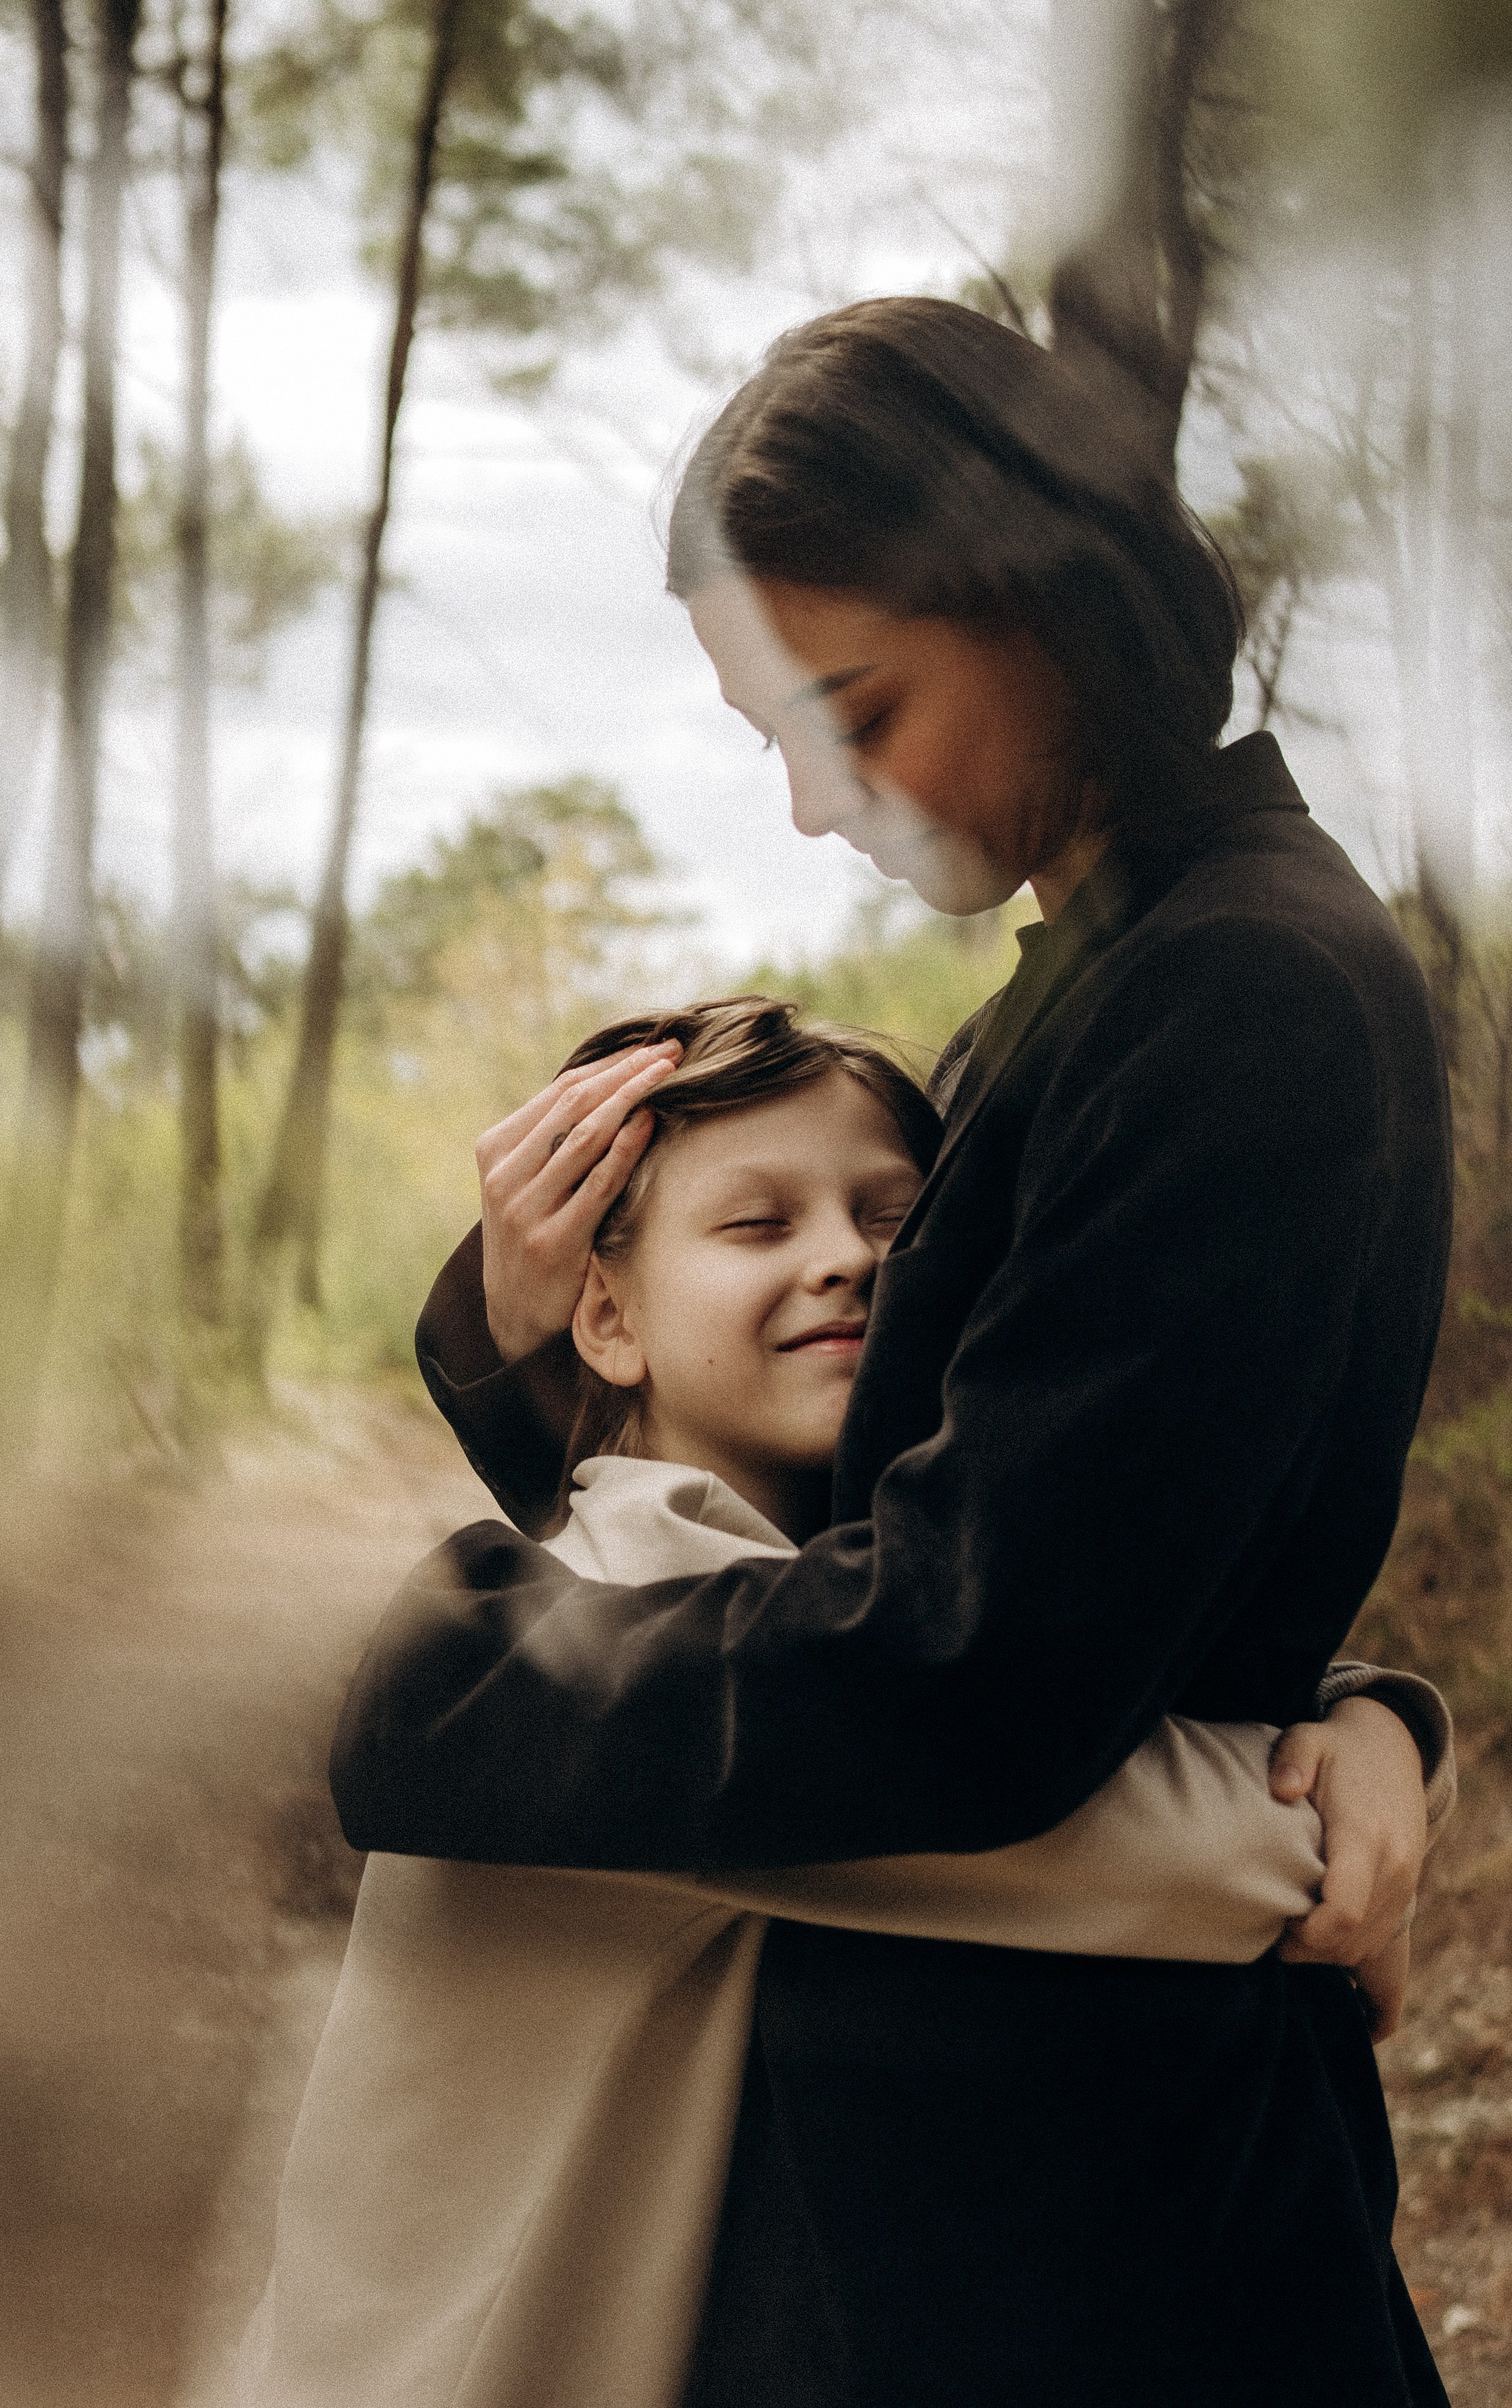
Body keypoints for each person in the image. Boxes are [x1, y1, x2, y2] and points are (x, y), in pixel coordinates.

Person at [333, 299, 1456, 2406]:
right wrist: (505, 1336)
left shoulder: (1241, 991)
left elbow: (962, 1667)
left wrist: (462, 1683)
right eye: (774, 733)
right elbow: (906, 1515)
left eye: (849, 709)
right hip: (1001, 2181)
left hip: (1110, 2235)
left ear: (1045, 601)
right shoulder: (1102, 976)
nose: (811, 801)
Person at [242, 1000, 1434, 2408]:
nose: (848, 1260)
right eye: (758, 1225)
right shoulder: (623, 1620)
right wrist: (1365, 1762)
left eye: (896, 1219)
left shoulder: (825, 1593)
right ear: (608, 1316)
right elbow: (1057, 1813)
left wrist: (1367, 1710)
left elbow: (984, 1653)